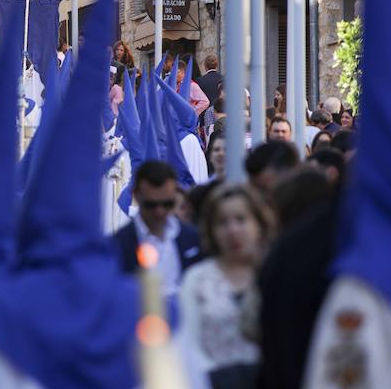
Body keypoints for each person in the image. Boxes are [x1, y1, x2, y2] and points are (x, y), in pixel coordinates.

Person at [178, 185, 274, 389]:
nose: (233, 230)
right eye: (222, 223)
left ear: (258, 223)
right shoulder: (196, 279)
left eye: (241, 220)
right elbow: (188, 342)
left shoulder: (274, 274)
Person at [112, 161, 204, 297]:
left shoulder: (193, 239)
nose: (159, 212)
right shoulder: (118, 246)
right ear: (136, 195)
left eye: (167, 204)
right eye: (151, 205)